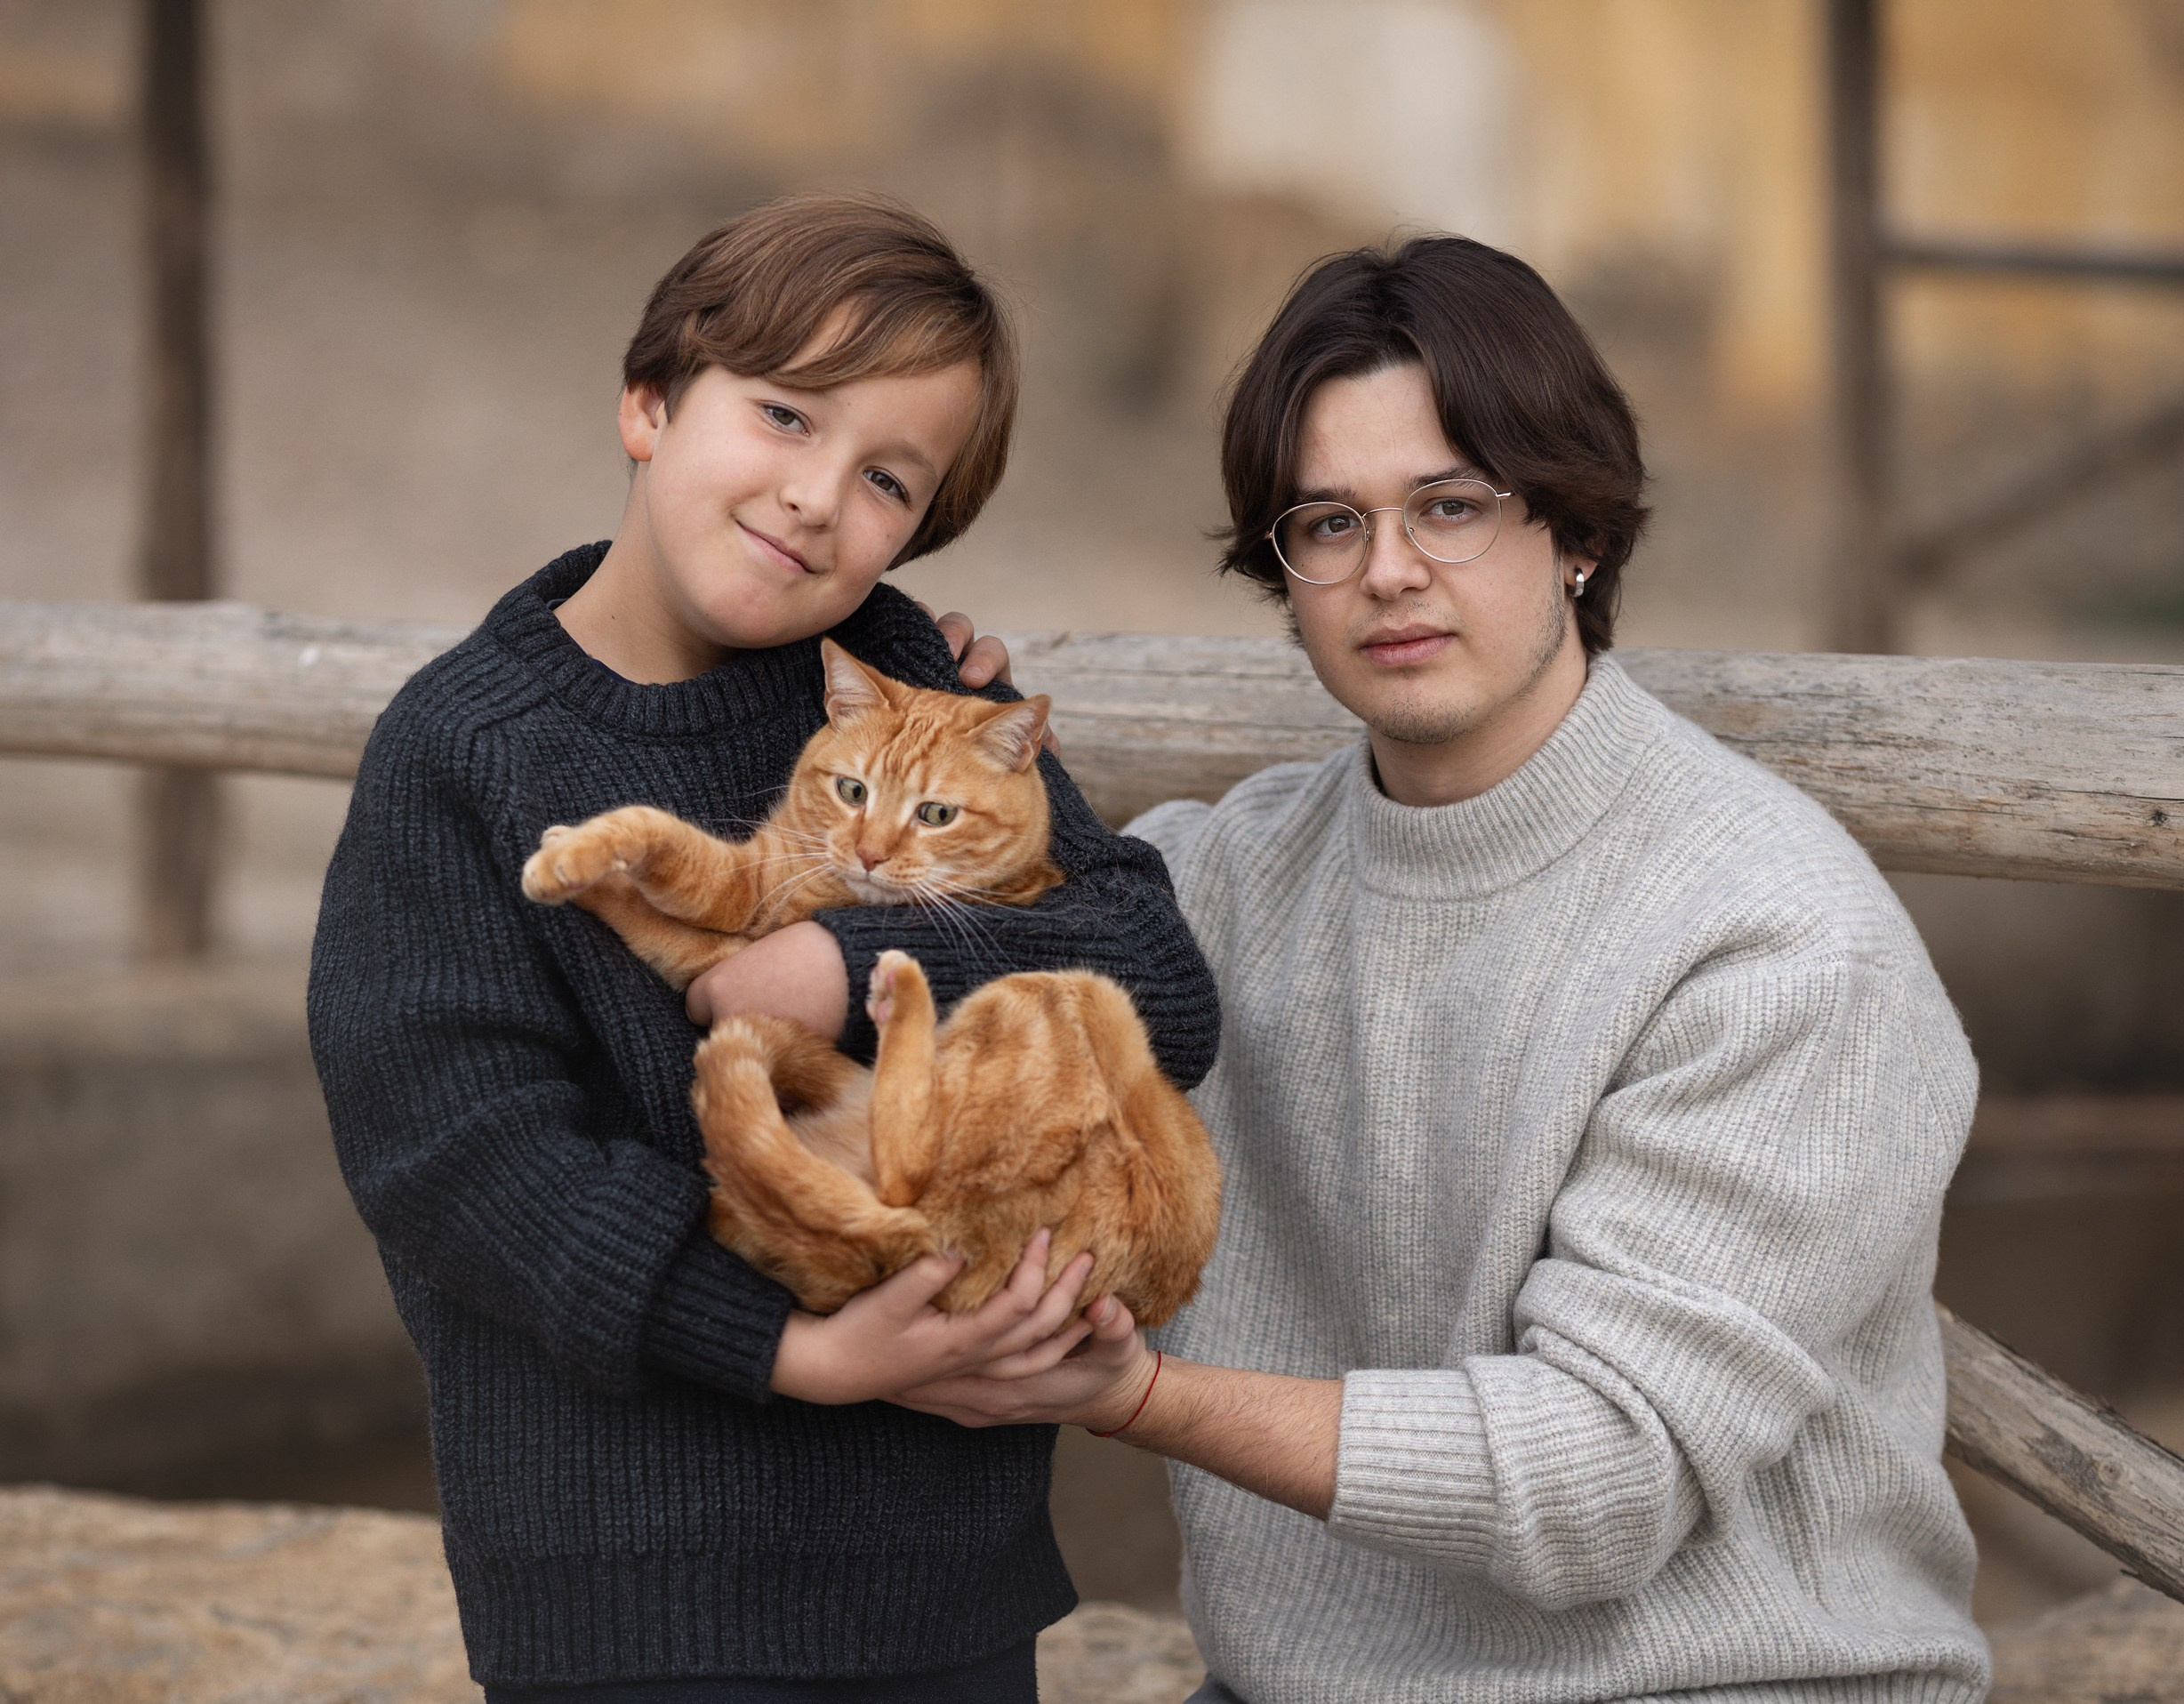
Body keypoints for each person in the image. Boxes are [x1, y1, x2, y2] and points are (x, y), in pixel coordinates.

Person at [902, 236, 1990, 1703]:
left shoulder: (1778, 939)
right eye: (1329, 523)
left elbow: (1601, 1483)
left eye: (1451, 505)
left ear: (1577, 531)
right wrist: (890, 705)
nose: (1391, 571)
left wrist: (1137, 1397)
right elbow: (908, 1017)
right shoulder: (1218, 881)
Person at [306, 192, 1219, 1700]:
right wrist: (799, 1354)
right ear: (650, 401)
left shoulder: (910, 680)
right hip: (637, 1594)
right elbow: (457, 1155)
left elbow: (1155, 976)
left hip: (946, 1574)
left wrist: (847, 968)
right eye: (786, 416)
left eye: (887, 482)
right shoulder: (464, 750)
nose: (817, 497)